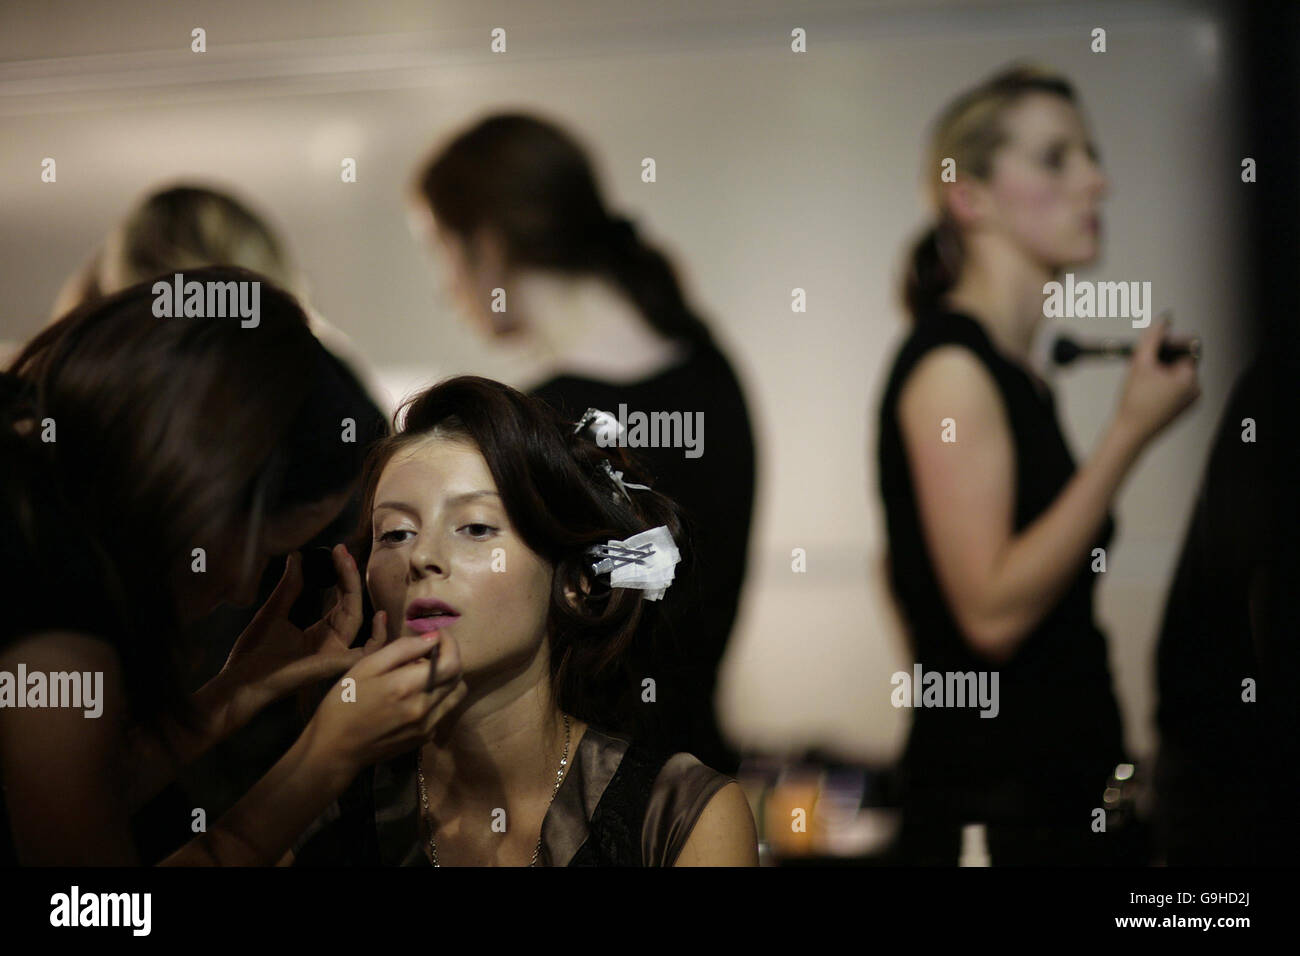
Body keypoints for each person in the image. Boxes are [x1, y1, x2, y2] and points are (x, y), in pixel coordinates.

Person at [0, 268, 463, 865]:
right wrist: (325, 756)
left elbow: (66, 800)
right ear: (207, 493)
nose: (245, 588)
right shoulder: (50, 610)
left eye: (476, 528)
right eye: (259, 551)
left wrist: (239, 687)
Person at [875, 64, 1200, 864]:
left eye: (1089, 155)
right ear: (970, 196)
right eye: (1057, 158)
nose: (1097, 181)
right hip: (1000, 820)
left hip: (1051, 804)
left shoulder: (1012, 370)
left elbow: (903, 570)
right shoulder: (953, 371)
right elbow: (989, 613)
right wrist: (1129, 433)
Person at [408, 113, 756, 775]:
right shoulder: (715, 373)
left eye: (439, 249)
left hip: (583, 797)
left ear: (487, 244)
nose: (442, 285)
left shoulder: (542, 420)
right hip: (701, 784)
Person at [291, 376, 758, 866]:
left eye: (475, 527)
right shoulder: (321, 804)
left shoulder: (679, 819)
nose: (422, 556)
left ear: (576, 581)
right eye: (395, 533)